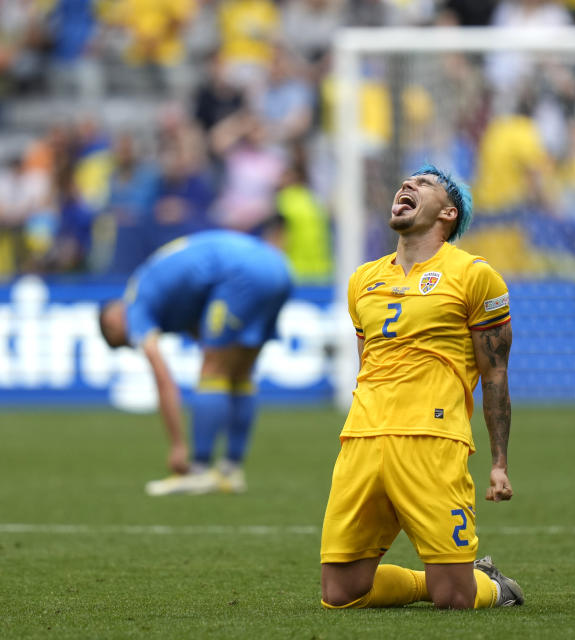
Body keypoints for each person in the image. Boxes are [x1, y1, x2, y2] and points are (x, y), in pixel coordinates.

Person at [320, 165, 524, 610]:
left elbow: (495, 374)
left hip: (432, 439)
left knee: (454, 599)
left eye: (424, 183)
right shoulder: (362, 281)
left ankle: (491, 586)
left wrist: (499, 463)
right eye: (406, 181)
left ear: (448, 214)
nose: (407, 185)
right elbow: (368, 364)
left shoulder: (474, 275)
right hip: (362, 439)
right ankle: (448, 579)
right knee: (340, 595)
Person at [99, 230, 293, 495]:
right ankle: (230, 470)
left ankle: (199, 469)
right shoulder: (162, 292)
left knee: (212, 369)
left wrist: (178, 444)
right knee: (240, 373)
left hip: (239, 274)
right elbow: (197, 321)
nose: (133, 344)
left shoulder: (136, 304)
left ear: (113, 322)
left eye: (124, 342)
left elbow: (163, 379)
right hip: (278, 267)